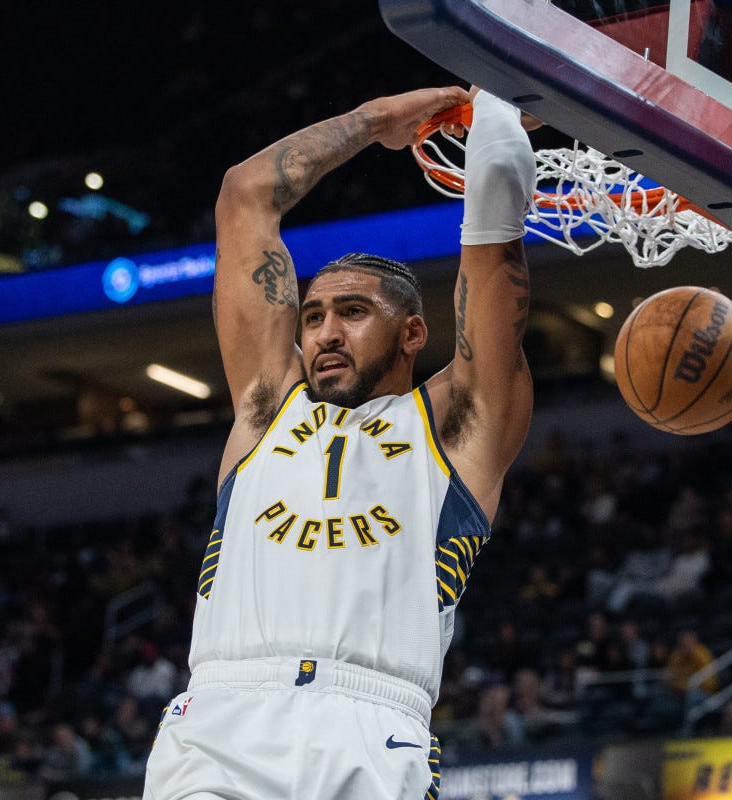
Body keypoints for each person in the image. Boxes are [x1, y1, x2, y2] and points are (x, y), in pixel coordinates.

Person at [144, 85, 538, 800]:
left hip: (372, 721)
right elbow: (245, 196)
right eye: (315, 313)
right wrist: (376, 121)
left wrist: (497, 120)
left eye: (352, 313)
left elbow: (494, 263)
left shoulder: (454, 427)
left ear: (414, 332)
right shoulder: (268, 406)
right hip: (222, 721)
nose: (324, 331)